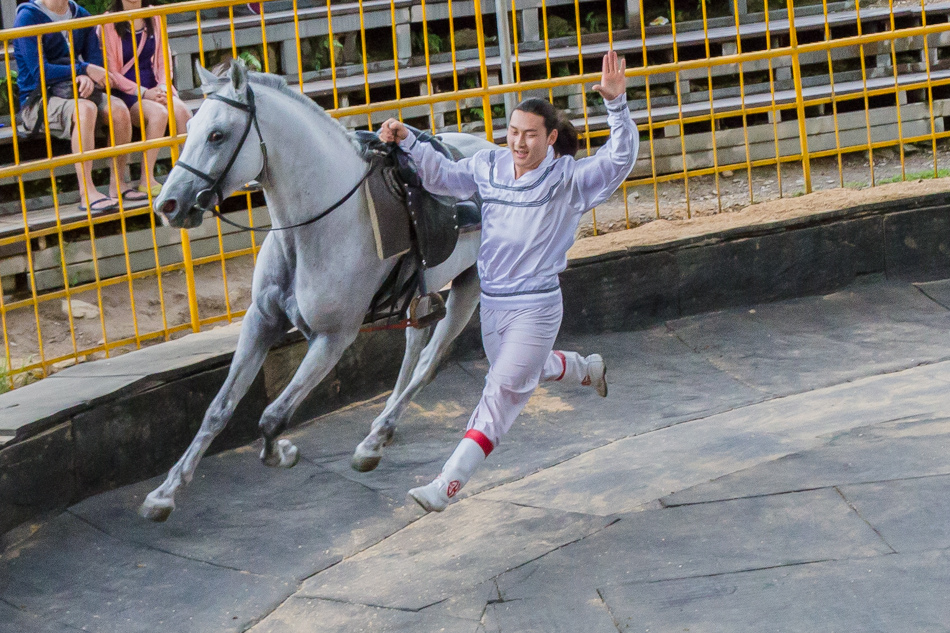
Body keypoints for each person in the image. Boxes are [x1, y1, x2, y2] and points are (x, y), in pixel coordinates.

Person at [378, 50, 638, 512]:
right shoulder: (490, 167)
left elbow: (619, 159)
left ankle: (446, 485)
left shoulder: (568, 179)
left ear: (551, 138)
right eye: (513, 132)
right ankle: (584, 368)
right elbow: (442, 177)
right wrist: (409, 141)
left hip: (537, 307)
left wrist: (617, 106)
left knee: (501, 392)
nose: (519, 142)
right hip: (493, 305)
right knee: (523, 374)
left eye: (530, 135)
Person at [13, 0, 140, 212]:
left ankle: (118, 183)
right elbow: (39, 71)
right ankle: (86, 192)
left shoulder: (80, 14)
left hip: (76, 89)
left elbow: (95, 61)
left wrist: (86, 73)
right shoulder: (28, 17)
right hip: (38, 99)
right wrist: (82, 70)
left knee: (118, 109)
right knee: (85, 109)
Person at [98, 0, 192, 197]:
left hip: (154, 84)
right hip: (127, 91)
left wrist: (164, 87)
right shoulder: (108, 22)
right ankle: (146, 178)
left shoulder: (154, 15)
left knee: (183, 112)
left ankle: (188, 173)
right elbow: (112, 72)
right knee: (159, 114)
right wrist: (143, 92)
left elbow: (163, 60)